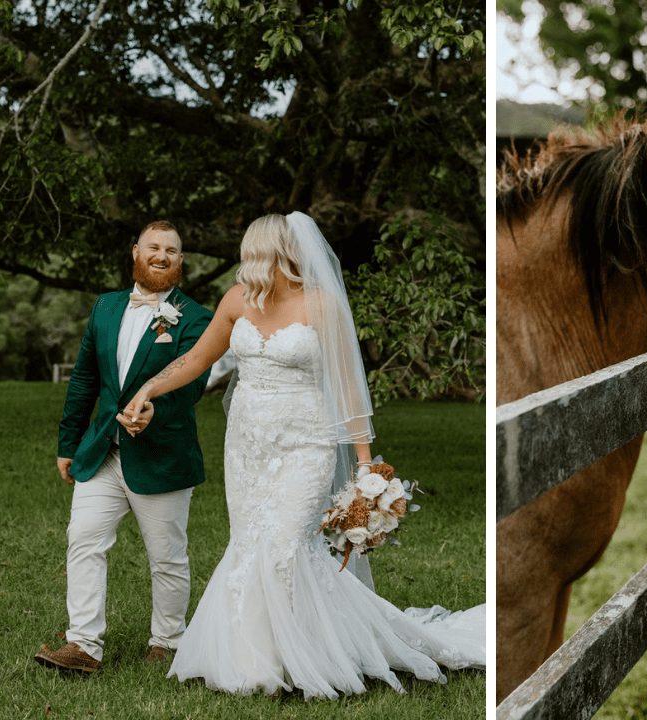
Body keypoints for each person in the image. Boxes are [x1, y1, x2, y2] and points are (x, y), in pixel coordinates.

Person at [123, 211, 484, 699]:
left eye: (256, 254)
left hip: (306, 443)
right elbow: (195, 361)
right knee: (251, 545)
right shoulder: (236, 301)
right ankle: (256, 659)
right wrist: (149, 387)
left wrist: (366, 468)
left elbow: (349, 389)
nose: (247, 263)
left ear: (282, 254)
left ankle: (306, 656)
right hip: (248, 447)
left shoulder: (322, 305)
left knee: (288, 547)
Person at [35, 221, 213, 673]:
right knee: (83, 540)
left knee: (167, 556)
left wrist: (155, 411)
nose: (162, 255)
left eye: (172, 250)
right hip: (102, 453)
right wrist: (68, 443)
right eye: (153, 247)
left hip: (163, 454)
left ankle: (168, 642)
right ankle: (83, 645)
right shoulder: (106, 307)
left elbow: (190, 387)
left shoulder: (196, 318)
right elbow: (84, 380)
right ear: (136, 252)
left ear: (180, 261)